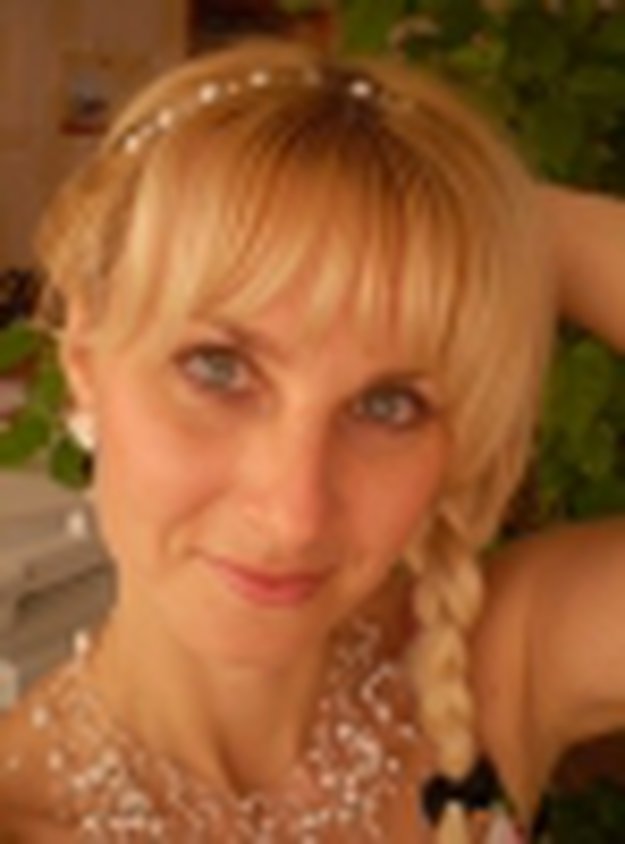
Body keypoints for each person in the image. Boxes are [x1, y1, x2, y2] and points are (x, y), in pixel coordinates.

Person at [0, 35, 622, 843]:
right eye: (219, 370)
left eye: (388, 405)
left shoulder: (495, 669)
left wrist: (493, 222)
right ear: (84, 359)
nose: (293, 514)